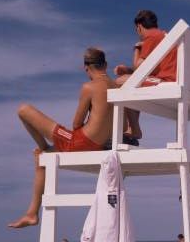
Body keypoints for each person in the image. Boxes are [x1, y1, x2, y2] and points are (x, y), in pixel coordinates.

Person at [8, 48, 115, 228]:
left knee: (23, 110)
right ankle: (32, 213)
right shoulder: (116, 86)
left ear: (86, 68)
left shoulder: (89, 87)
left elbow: (76, 123)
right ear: (105, 65)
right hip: (101, 144)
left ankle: (33, 212)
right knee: (41, 158)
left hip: (80, 141)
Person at [113, 9, 178, 143]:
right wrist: (128, 70)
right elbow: (146, 70)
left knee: (121, 82)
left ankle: (134, 129)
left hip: (167, 81)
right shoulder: (163, 35)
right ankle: (133, 128)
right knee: (131, 80)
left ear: (139, 27)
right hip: (172, 78)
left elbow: (139, 68)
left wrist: (137, 47)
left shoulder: (152, 37)